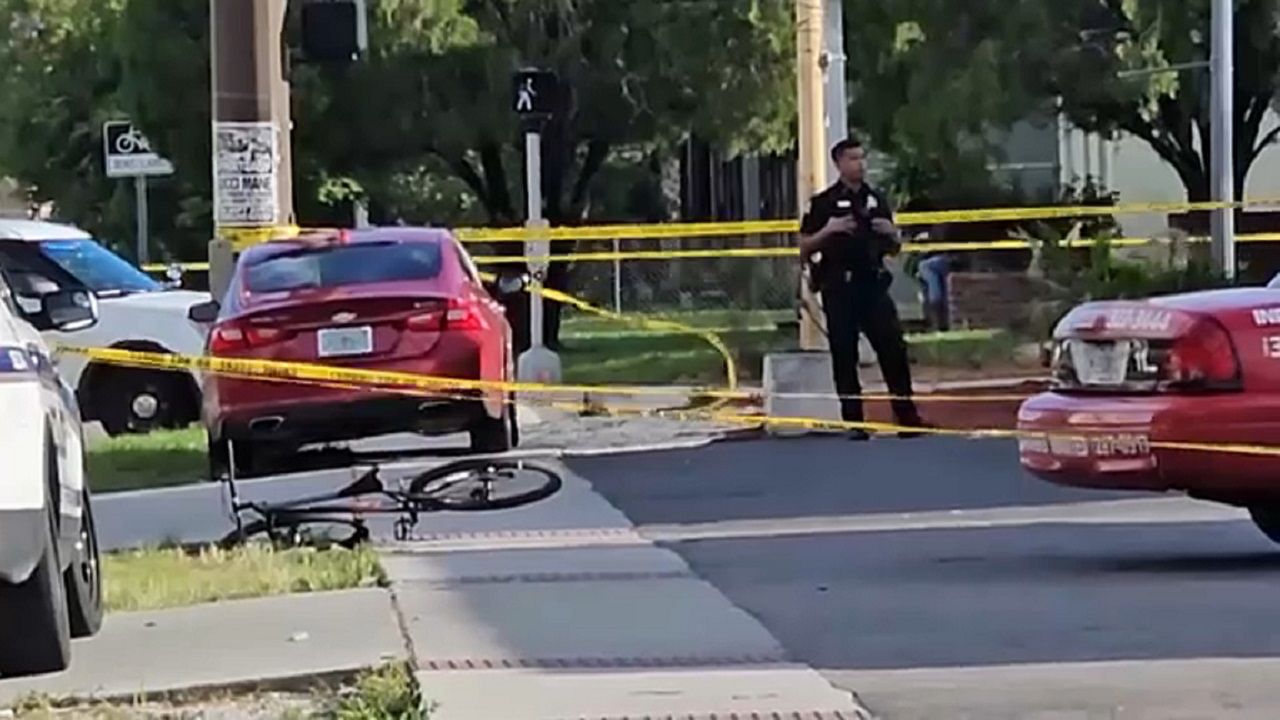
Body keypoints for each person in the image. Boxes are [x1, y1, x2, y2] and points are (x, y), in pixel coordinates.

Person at [799, 137, 927, 440]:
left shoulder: (875, 199)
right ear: (839, 163)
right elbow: (802, 247)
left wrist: (892, 234)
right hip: (839, 287)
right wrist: (828, 231)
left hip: (873, 284)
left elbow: (894, 247)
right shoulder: (824, 203)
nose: (860, 164)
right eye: (853, 158)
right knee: (844, 353)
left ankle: (906, 417)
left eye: (862, 158)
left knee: (893, 349)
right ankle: (854, 421)